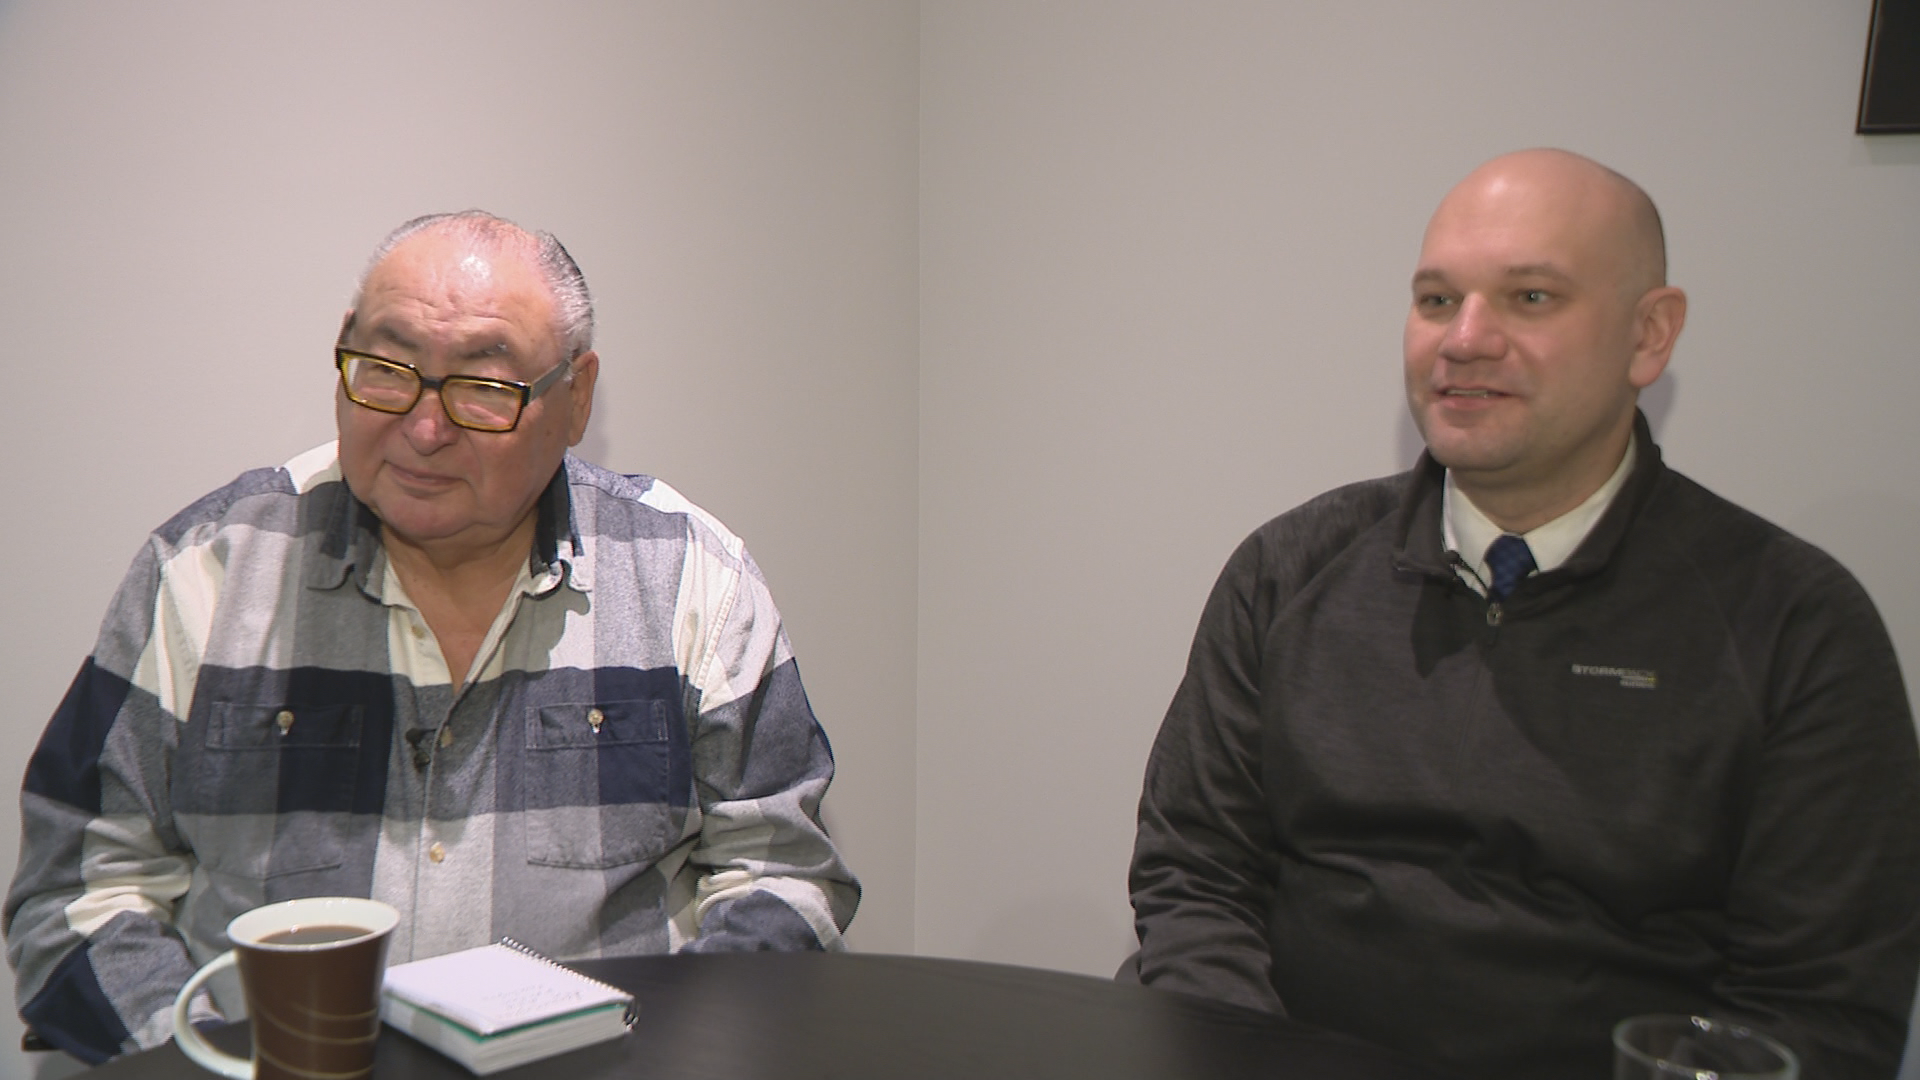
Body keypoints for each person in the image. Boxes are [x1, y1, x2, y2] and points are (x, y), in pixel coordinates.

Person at [1128, 149, 1920, 1079]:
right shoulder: (1288, 569)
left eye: (1530, 298)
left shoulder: (1795, 626)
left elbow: (1819, 1006)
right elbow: (1195, 879)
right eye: (1436, 300)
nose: (1464, 339)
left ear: (1650, 336)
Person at [5, 211, 860, 1063]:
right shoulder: (207, 573)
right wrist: (203, 1062)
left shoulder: (691, 579)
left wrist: (663, 1058)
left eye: (483, 389)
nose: (422, 428)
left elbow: (785, 878)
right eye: (386, 369)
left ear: (576, 398)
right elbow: (76, 893)